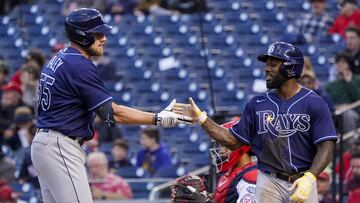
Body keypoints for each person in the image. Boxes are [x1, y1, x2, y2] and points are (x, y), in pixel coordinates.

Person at [30, 8, 190, 203]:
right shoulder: (78, 64)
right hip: (60, 145)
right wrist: (157, 118)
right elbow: (112, 113)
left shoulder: (59, 58)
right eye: (98, 33)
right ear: (83, 36)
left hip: (46, 143)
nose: (103, 38)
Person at [174, 42, 338, 202]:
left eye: (273, 64)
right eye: (267, 64)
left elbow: (326, 146)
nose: (267, 69)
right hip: (268, 180)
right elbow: (232, 140)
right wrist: (202, 119)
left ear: (290, 67)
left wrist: (310, 177)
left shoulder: (315, 102)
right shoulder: (257, 104)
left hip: (303, 180)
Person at [171, 118, 258, 203]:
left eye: (225, 145)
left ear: (241, 145)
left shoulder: (251, 176)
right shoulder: (226, 177)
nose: (221, 150)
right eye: (220, 146)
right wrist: (205, 196)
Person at [326, 52, 360, 134]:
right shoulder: (330, 85)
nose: (340, 64)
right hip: (336, 113)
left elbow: (358, 98)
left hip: (355, 112)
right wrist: (336, 107)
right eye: (338, 62)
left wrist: (349, 82)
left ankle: (349, 145)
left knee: (348, 114)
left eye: (343, 62)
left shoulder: (357, 80)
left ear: (349, 64)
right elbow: (327, 102)